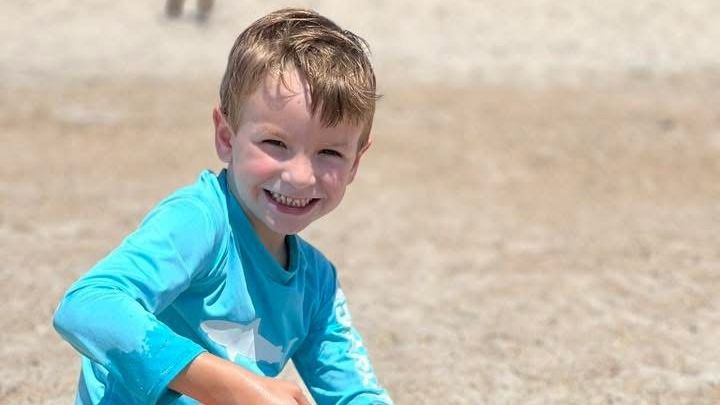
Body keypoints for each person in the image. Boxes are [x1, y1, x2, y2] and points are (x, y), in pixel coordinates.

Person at [53, 8, 394, 405]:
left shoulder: (316, 285)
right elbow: (86, 305)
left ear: (356, 163)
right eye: (275, 143)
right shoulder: (199, 222)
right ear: (227, 138)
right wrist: (233, 388)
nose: (301, 176)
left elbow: (355, 394)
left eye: (330, 152)